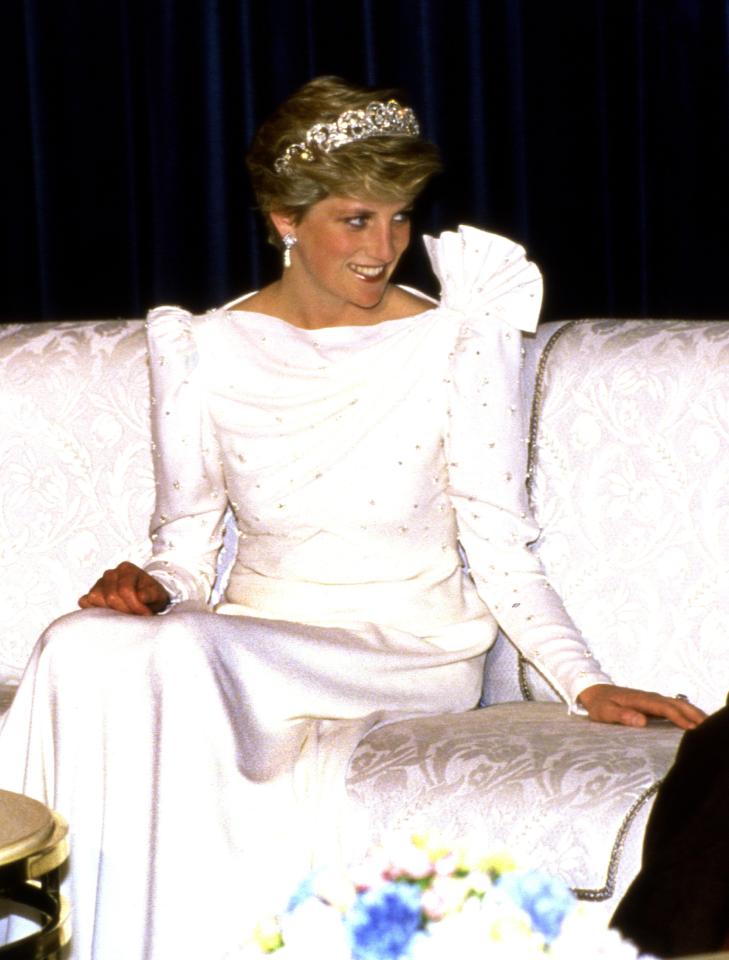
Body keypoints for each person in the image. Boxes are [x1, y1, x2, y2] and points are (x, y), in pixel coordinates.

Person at [0, 76, 705, 960]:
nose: (387, 246)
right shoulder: (201, 348)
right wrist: (151, 583)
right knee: (76, 641)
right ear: (284, 219)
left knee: (180, 652)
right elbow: (185, 547)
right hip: (256, 638)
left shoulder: (453, 340)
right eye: (356, 218)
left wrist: (584, 681)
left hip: (406, 646)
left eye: (401, 216)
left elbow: (498, 541)